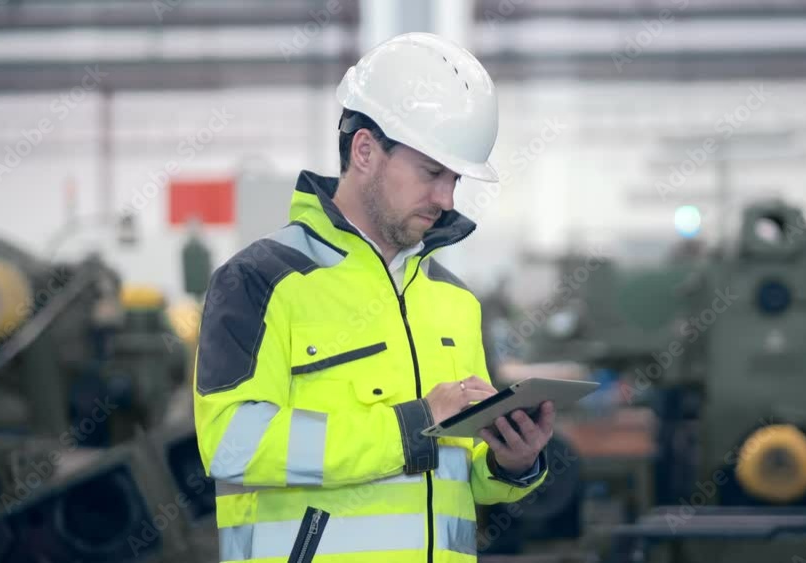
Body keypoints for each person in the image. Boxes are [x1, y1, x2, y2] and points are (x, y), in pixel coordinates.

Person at [193, 32, 554, 563]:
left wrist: (511, 463)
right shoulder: (260, 282)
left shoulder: (454, 302)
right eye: (432, 172)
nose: (447, 198)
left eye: (454, 178)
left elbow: (463, 479)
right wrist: (411, 426)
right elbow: (232, 444)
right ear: (365, 150)